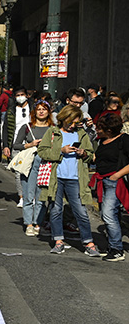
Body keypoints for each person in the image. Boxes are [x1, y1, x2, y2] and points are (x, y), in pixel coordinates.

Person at [38, 104, 100, 256]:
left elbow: (91, 155)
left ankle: (88, 242)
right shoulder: (53, 132)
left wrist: (83, 153)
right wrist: (60, 151)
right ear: (63, 118)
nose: (73, 125)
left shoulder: (81, 134)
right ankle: (58, 241)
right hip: (56, 178)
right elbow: (42, 151)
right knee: (56, 210)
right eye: (70, 122)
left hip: (75, 178)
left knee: (81, 211)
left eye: (76, 122)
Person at [13, 98, 54, 236]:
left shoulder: (53, 129)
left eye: (44, 109)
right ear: (34, 112)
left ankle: (38, 223)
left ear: (48, 112)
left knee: (41, 197)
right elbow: (16, 145)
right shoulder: (27, 127)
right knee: (28, 196)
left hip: (46, 164)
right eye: (38, 109)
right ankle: (28, 224)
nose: (41, 112)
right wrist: (30, 144)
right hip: (30, 165)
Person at [93, 112, 129, 261]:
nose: (97, 130)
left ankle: (117, 249)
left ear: (109, 130)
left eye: (99, 128)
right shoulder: (102, 141)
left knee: (108, 214)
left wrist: (117, 175)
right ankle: (112, 244)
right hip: (103, 181)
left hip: (115, 181)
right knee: (109, 214)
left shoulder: (124, 140)